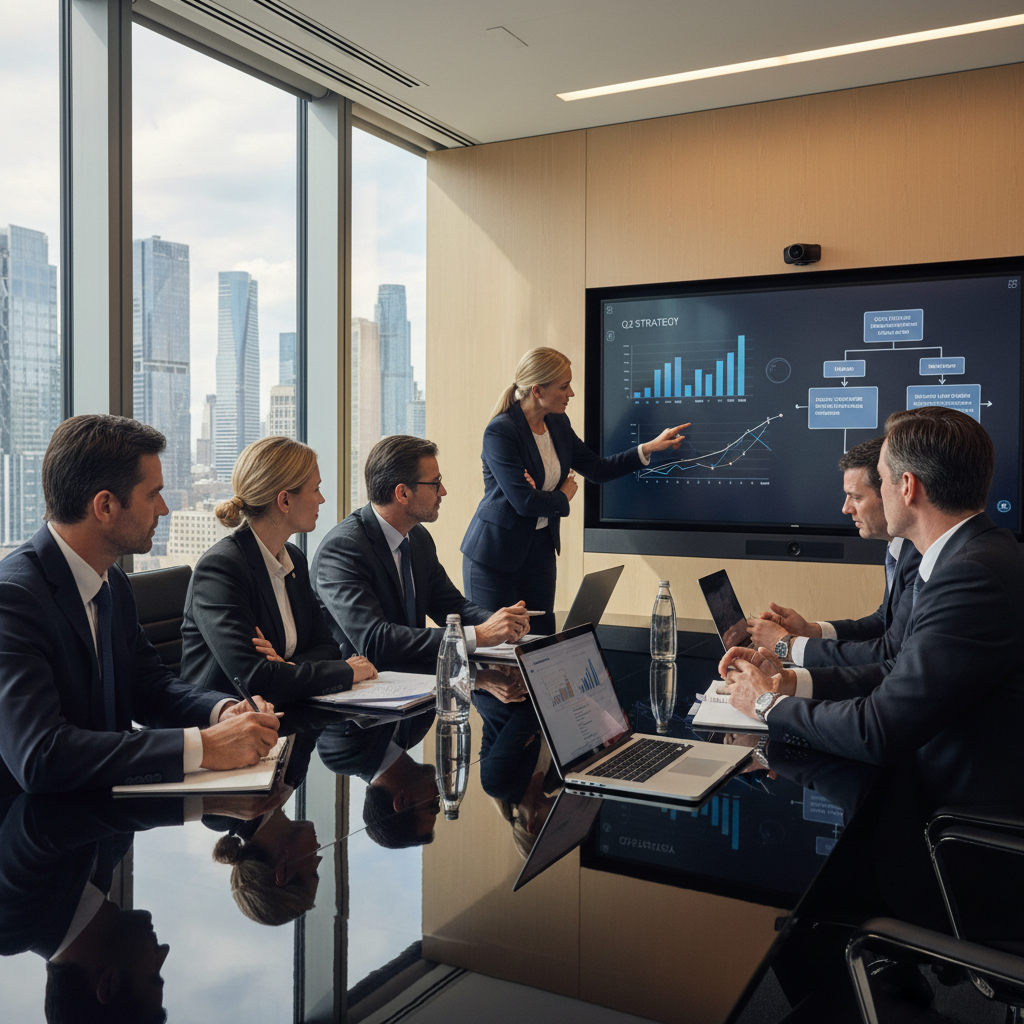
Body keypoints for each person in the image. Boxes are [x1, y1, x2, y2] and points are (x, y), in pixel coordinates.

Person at [719, 407, 1024, 796]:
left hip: (958, 815)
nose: (873, 495)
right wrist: (790, 682)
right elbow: (898, 668)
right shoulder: (976, 554)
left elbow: (877, 731)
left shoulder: (971, 577)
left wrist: (766, 704)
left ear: (908, 487)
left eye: (881, 481)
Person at [0, 415, 280, 796]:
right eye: (152, 494)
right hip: (36, 836)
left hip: (107, 820)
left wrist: (222, 711)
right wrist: (205, 747)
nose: (163, 509)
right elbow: (42, 756)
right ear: (105, 506)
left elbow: (149, 685)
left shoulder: (111, 581)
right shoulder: (13, 598)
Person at [460, 347, 689, 635]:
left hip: (540, 550)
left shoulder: (557, 423)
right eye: (564, 387)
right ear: (538, 390)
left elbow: (596, 468)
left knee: (538, 641)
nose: (571, 394)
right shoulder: (501, 431)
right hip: (495, 556)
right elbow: (524, 502)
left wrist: (649, 448)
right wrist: (563, 495)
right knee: (498, 649)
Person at [180, 436, 376, 705]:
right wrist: (345, 671)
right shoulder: (221, 570)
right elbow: (254, 680)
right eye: (315, 489)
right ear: (284, 501)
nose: (322, 499)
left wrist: (284, 667)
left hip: (284, 717)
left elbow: (328, 649)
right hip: (222, 726)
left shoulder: (292, 558)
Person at [312, 434, 530, 667]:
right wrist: (479, 635)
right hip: (361, 687)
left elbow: (451, 607)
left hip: (410, 678)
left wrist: (502, 623)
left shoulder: (417, 536)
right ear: (402, 493)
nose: (443, 491)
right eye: (435, 483)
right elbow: (375, 641)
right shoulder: (342, 549)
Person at [747, 436, 922, 667]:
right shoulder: (899, 548)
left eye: (856, 497)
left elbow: (890, 650)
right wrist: (810, 630)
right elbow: (884, 621)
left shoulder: (919, 554)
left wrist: (786, 644)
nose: (845, 508)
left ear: (894, 490)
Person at [316, 711, 439, 849]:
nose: (438, 796)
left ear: (402, 802)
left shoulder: (340, 755)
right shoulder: (415, 733)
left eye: (433, 806)